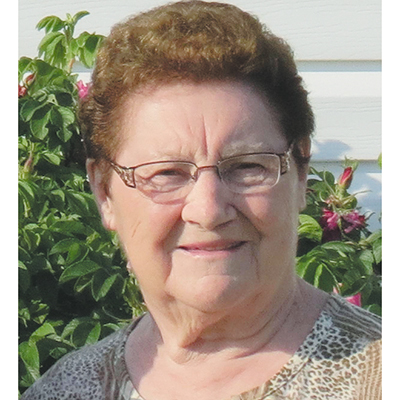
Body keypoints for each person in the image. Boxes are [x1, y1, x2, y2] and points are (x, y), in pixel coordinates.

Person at [21, 1, 381, 399]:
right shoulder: (64, 391)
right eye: (166, 173)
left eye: (246, 166)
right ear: (104, 191)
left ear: (299, 174)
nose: (208, 211)